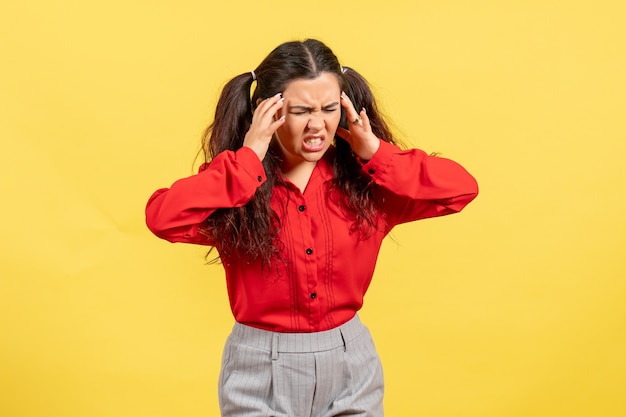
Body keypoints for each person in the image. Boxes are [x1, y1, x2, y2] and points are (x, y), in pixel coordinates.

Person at [145, 38, 478, 417]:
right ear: (268, 111)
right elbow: (161, 217)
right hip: (259, 367)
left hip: (350, 364)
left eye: (330, 109)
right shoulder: (236, 188)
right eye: (302, 110)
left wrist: (376, 153)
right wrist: (247, 159)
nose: (318, 124)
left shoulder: (366, 187)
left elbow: (460, 189)